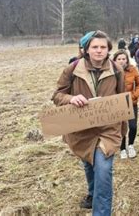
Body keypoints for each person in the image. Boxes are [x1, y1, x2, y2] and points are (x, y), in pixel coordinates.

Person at [52, 30, 125, 215]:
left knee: (103, 171)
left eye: (103, 47)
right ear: (86, 49)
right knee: (89, 163)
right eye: (95, 47)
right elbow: (57, 95)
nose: (99, 51)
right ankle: (92, 193)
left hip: (108, 130)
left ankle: (101, 212)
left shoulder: (117, 69)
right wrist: (71, 99)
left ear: (108, 49)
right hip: (81, 129)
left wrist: (123, 131)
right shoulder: (72, 69)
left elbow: (123, 100)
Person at [113, 49, 139, 159]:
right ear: (114, 60)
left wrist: (134, 95)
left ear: (127, 59)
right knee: (121, 127)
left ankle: (131, 145)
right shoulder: (111, 71)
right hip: (117, 104)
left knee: (133, 126)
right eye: (119, 59)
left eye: (123, 59)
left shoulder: (133, 70)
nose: (121, 61)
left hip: (131, 102)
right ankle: (122, 148)